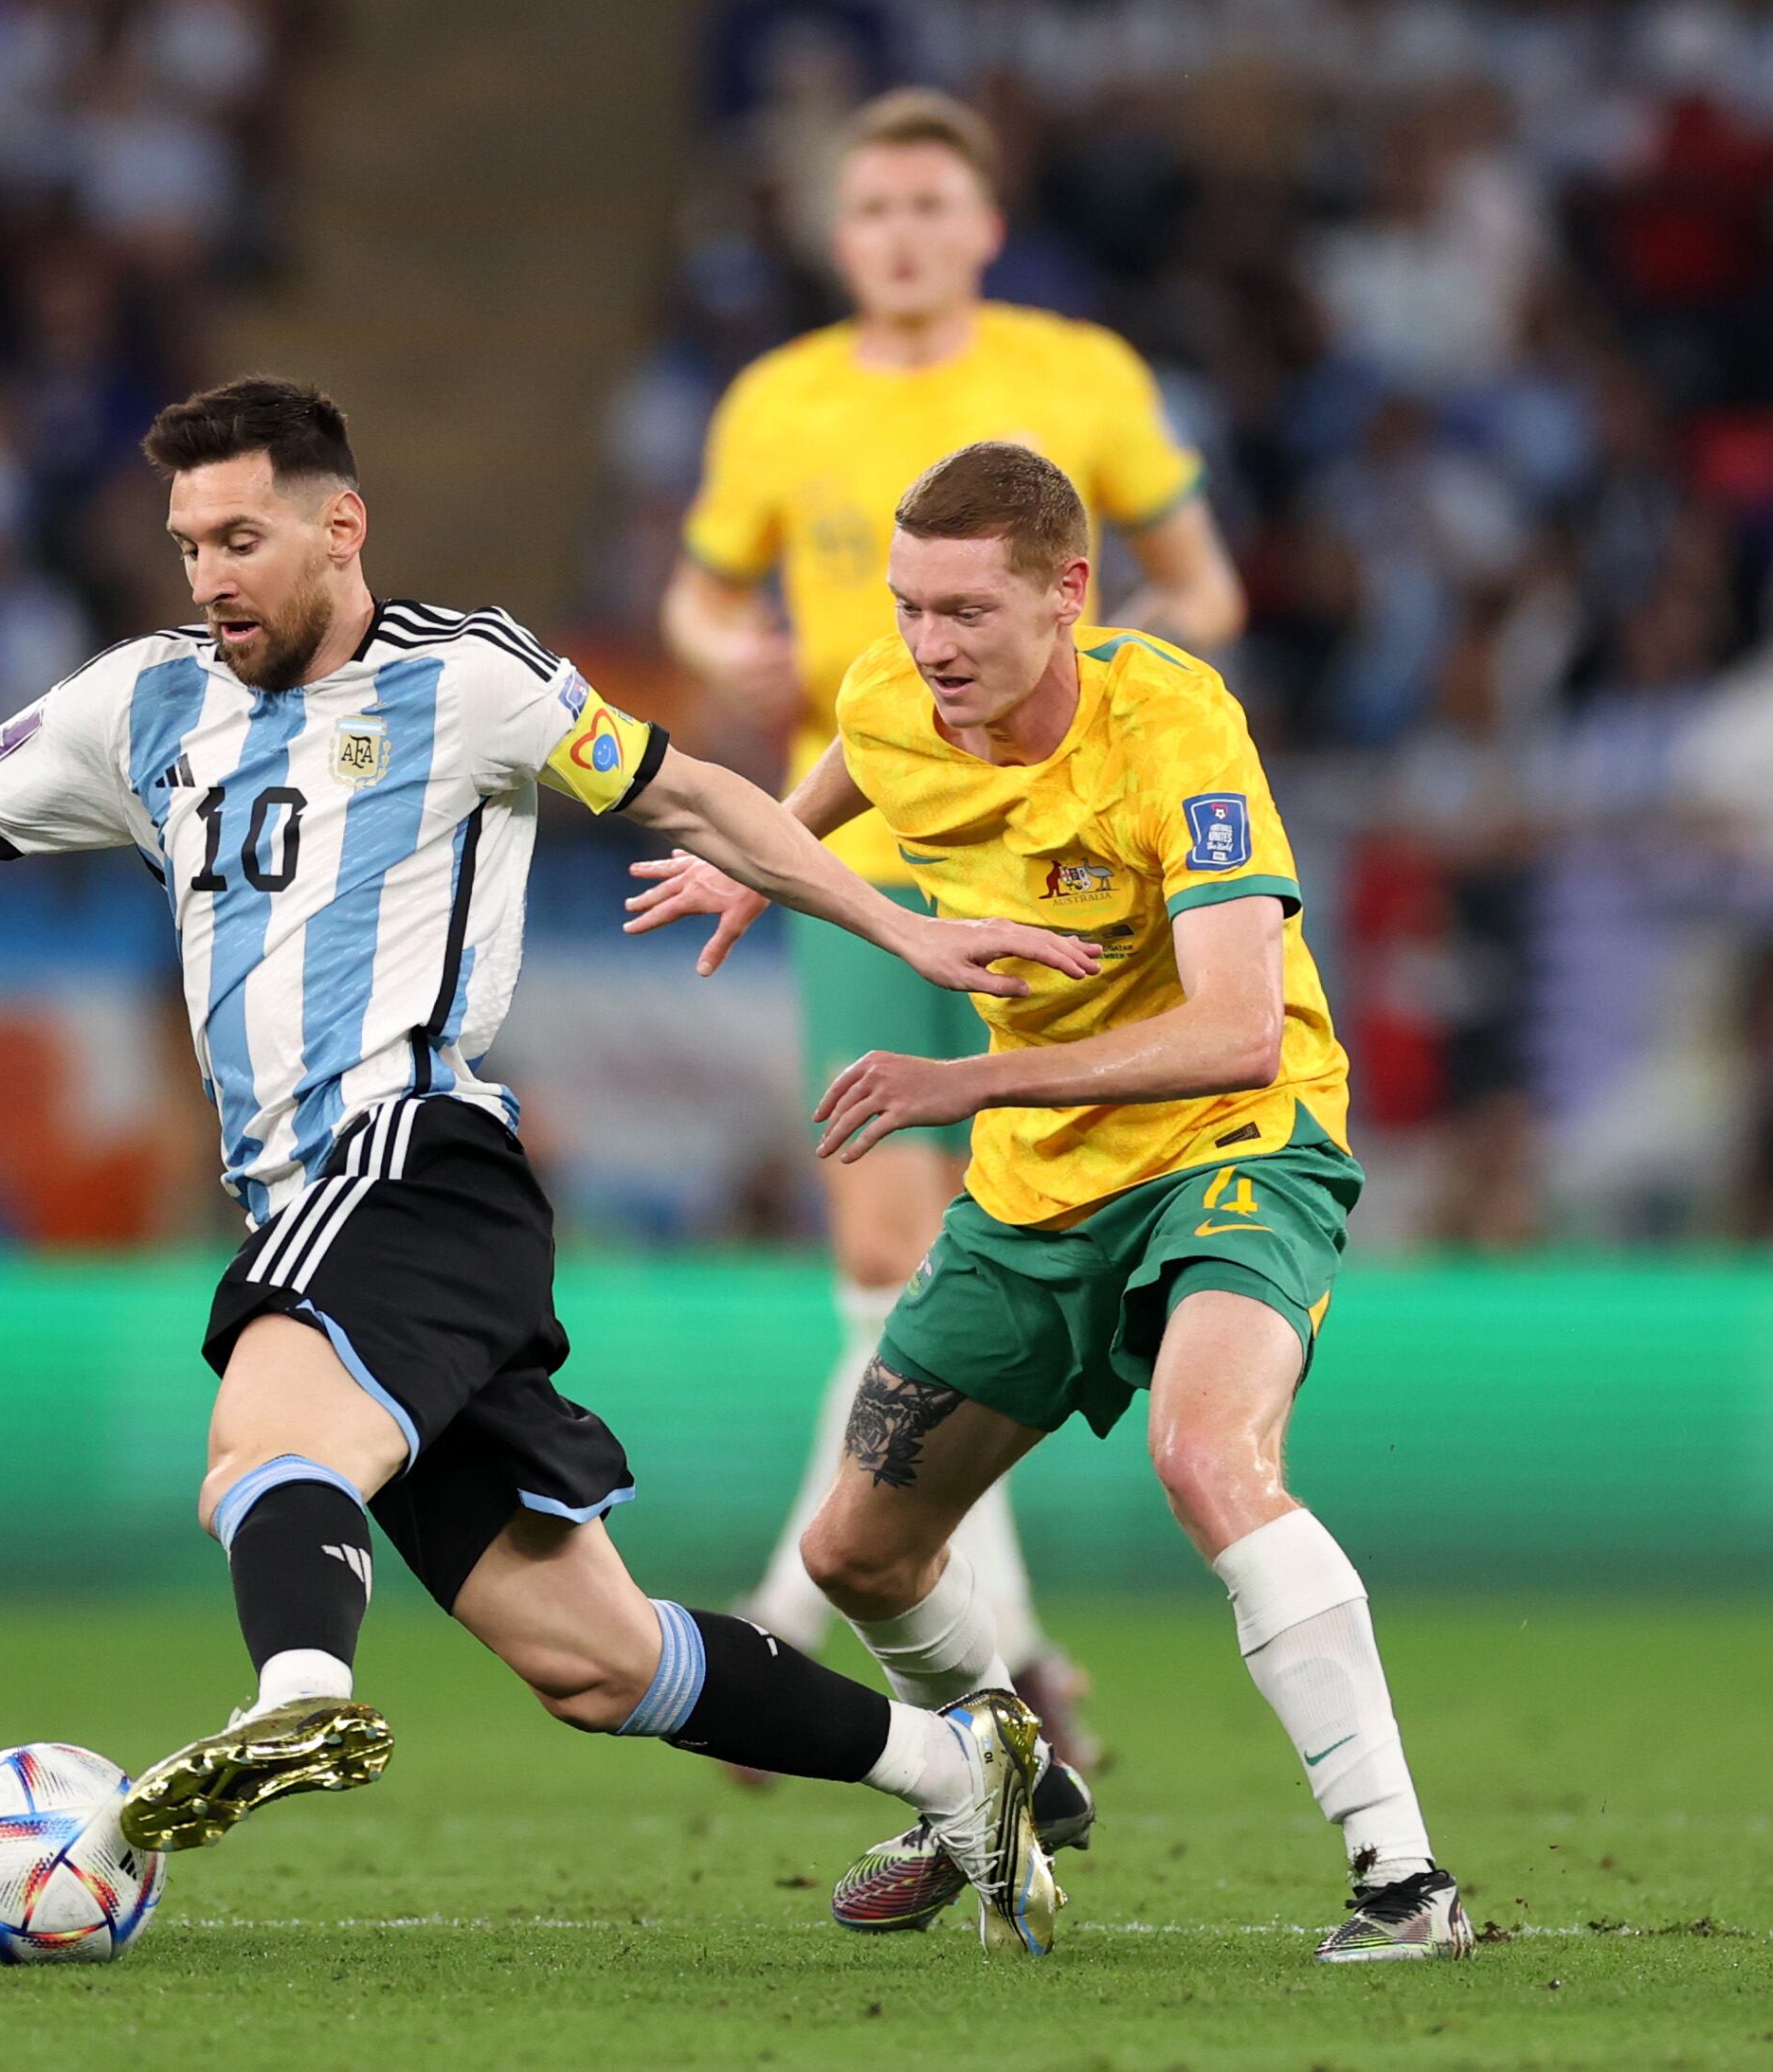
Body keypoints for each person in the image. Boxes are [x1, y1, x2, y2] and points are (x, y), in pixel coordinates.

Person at [0, 380, 1106, 1951]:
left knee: (261, 1442)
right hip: (319, 1204)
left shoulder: (468, 679)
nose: (208, 577)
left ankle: (299, 1696)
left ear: (342, 528)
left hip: (410, 1153)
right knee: (595, 1659)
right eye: (188, 544)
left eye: (241, 538)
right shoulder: (143, 702)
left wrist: (902, 924)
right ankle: (956, 1763)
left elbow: (692, 793)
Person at [630, 442, 1470, 1963]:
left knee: (1205, 1455)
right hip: (1034, 1198)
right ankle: (1003, 1771)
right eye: (906, 607)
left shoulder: (1172, 726)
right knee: (853, 1557)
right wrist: (768, 860)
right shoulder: (898, 697)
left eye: (964, 610)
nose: (929, 647)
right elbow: (853, 747)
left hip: (1231, 1144)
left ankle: (1402, 1883)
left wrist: (964, 1086)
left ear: (1066, 595)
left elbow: (1237, 1028)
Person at [660, 86, 1247, 1763]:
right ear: (836, 235)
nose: (900, 235)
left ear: (983, 226)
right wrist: (723, 655)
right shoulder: (776, 402)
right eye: (871, 211)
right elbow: (705, 588)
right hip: (855, 851)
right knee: (877, 1247)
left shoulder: (1078, 380)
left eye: (930, 206)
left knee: (989, 1234)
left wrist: (1098, 677)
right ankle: (994, 1649)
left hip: (1062, 865)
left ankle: (817, 1612)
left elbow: (1202, 584)